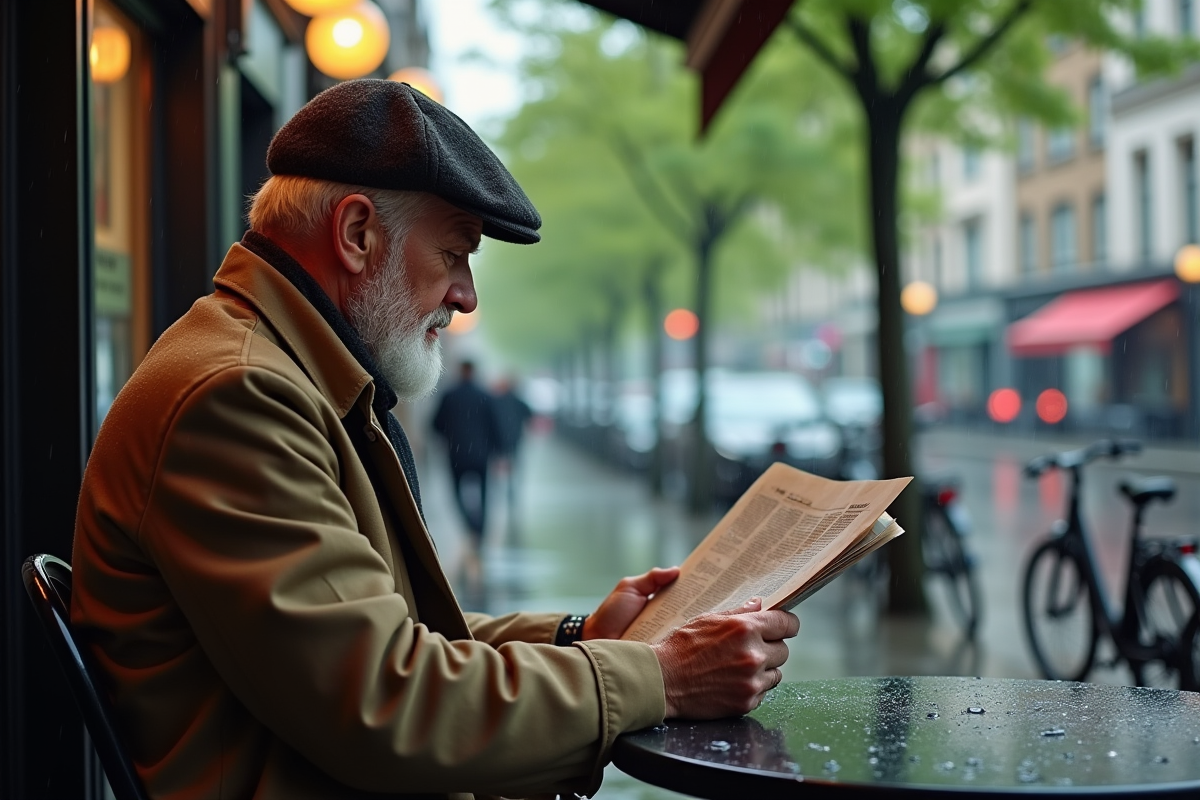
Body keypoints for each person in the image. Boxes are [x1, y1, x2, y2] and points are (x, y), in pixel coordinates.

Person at [70, 79, 798, 800]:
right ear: (357, 234)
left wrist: (580, 637)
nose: (465, 295)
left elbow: (391, 642)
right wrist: (664, 676)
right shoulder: (241, 396)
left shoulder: (284, 374)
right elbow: (387, 703)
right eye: (454, 253)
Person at [432, 360, 496, 557]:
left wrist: (450, 436)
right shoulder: (485, 396)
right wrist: (498, 450)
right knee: (484, 493)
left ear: (461, 372)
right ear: (474, 372)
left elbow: (435, 424)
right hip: (481, 454)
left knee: (456, 492)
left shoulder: (449, 396)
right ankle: (480, 528)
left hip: (457, 453)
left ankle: (469, 523)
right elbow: (495, 425)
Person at [489, 374, 533, 529]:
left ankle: (499, 489)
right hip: (515, 439)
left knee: (498, 465)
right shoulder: (518, 401)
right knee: (514, 465)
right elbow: (529, 415)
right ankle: (511, 490)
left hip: (499, 440)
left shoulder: (497, 400)